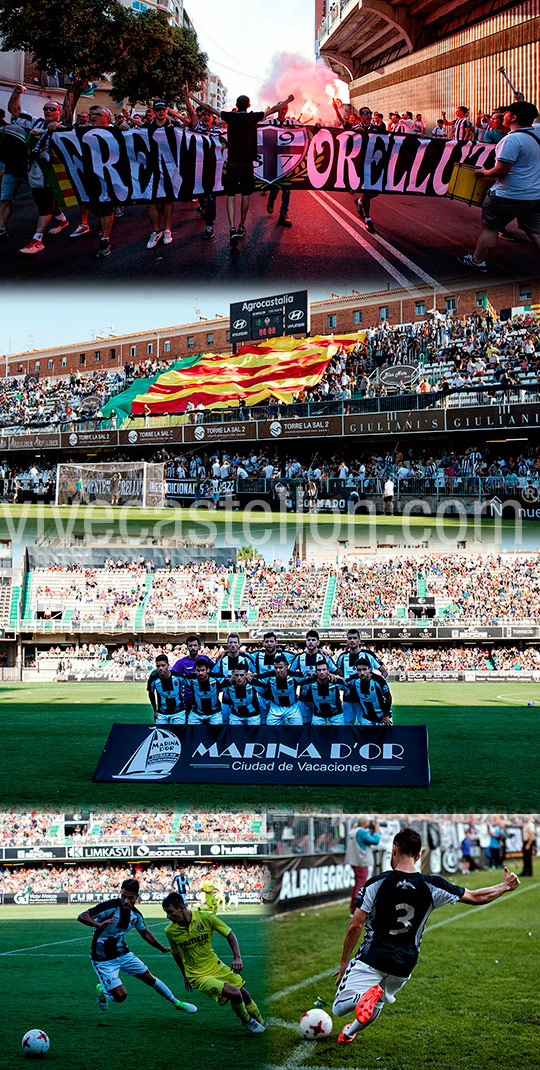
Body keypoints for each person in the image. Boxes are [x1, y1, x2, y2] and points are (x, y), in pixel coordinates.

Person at [333, 827, 520, 1044]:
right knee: (378, 1001)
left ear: (394, 850)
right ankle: (348, 1033)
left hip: (373, 957)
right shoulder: (432, 886)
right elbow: (476, 897)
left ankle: (358, 998)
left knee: (339, 1007)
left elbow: (355, 925)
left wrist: (345, 961)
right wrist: (504, 886)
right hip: (404, 964)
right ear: (419, 855)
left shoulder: (378, 882)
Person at [77, 878, 197, 1015]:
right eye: (123, 897)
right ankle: (102, 990)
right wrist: (98, 925)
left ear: (137, 897)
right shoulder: (109, 907)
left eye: (130, 898)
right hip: (103, 959)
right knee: (120, 996)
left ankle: (177, 1003)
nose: (126, 901)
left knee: (150, 978)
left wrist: (162, 948)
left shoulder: (136, 915)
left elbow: (145, 933)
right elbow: (82, 916)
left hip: (123, 953)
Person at [188, 89, 294, 244]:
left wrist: (191, 97)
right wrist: (287, 101)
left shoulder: (230, 116)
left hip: (232, 163)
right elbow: (273, 110)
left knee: (230, 196)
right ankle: (241, 226)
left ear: (237, 105)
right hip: (247, 164)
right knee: (245, 195)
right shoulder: (253, 117)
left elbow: (210, 108)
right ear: (249, 105)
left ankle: (231, 227)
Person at [162, 892, 265, 1033]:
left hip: (216, 966)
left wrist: (237, 957)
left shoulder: (206, 917)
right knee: (235, 993)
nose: (167, 916)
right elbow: (176, 953)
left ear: (181, 907)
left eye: (170, 912)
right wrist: (185, 975)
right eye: (166, 913)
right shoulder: (170, 931)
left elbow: (229, 934)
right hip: (197, 975)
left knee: (244, 994)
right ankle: (247, 1020)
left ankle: (262, 1023)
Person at [458, 101, 540, 271]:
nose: (503, 115)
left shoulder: (511, 140)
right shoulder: (538, 133)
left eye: (506, 113)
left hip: (508, 195)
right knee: (536, 231)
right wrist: (522, 100)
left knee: (491, 227)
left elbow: (502, 170)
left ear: (514, 117)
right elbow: (534, 114)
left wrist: (483, 172)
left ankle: (477, 261)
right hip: (533, 195)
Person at [345, 818, 380, 914]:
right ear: (364, 822)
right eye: (368, 821)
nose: (370, 823)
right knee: (361, 885)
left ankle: (353, 908)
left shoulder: (354, 830)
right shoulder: (361, 832)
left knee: (357, 885)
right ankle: (356, 908)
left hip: (355, 861)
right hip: (361, 861)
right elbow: (375, 841)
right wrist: (376, 831)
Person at [345, 660, 393, 726]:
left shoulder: (379, 681)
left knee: (386, 735)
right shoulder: (354, 679)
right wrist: (332, 677)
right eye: (359, 670)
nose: (362, 673)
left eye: (364, 669)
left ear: (370, 669)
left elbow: (388, 697)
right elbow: (342, 682)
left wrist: (386, 716)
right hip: (367, 717)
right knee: (366, 735)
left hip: (383, 715)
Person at [147, 654, 185, 724]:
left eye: (163, 665)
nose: (160, 668)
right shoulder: (153, 679)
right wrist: (155, 711)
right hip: (162, 713)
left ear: (168, 665)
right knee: (161, 733)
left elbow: (190, 686)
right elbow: (151, 694)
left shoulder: (178, 676)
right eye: (158, 666)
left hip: (179, 713)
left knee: (180, 734)